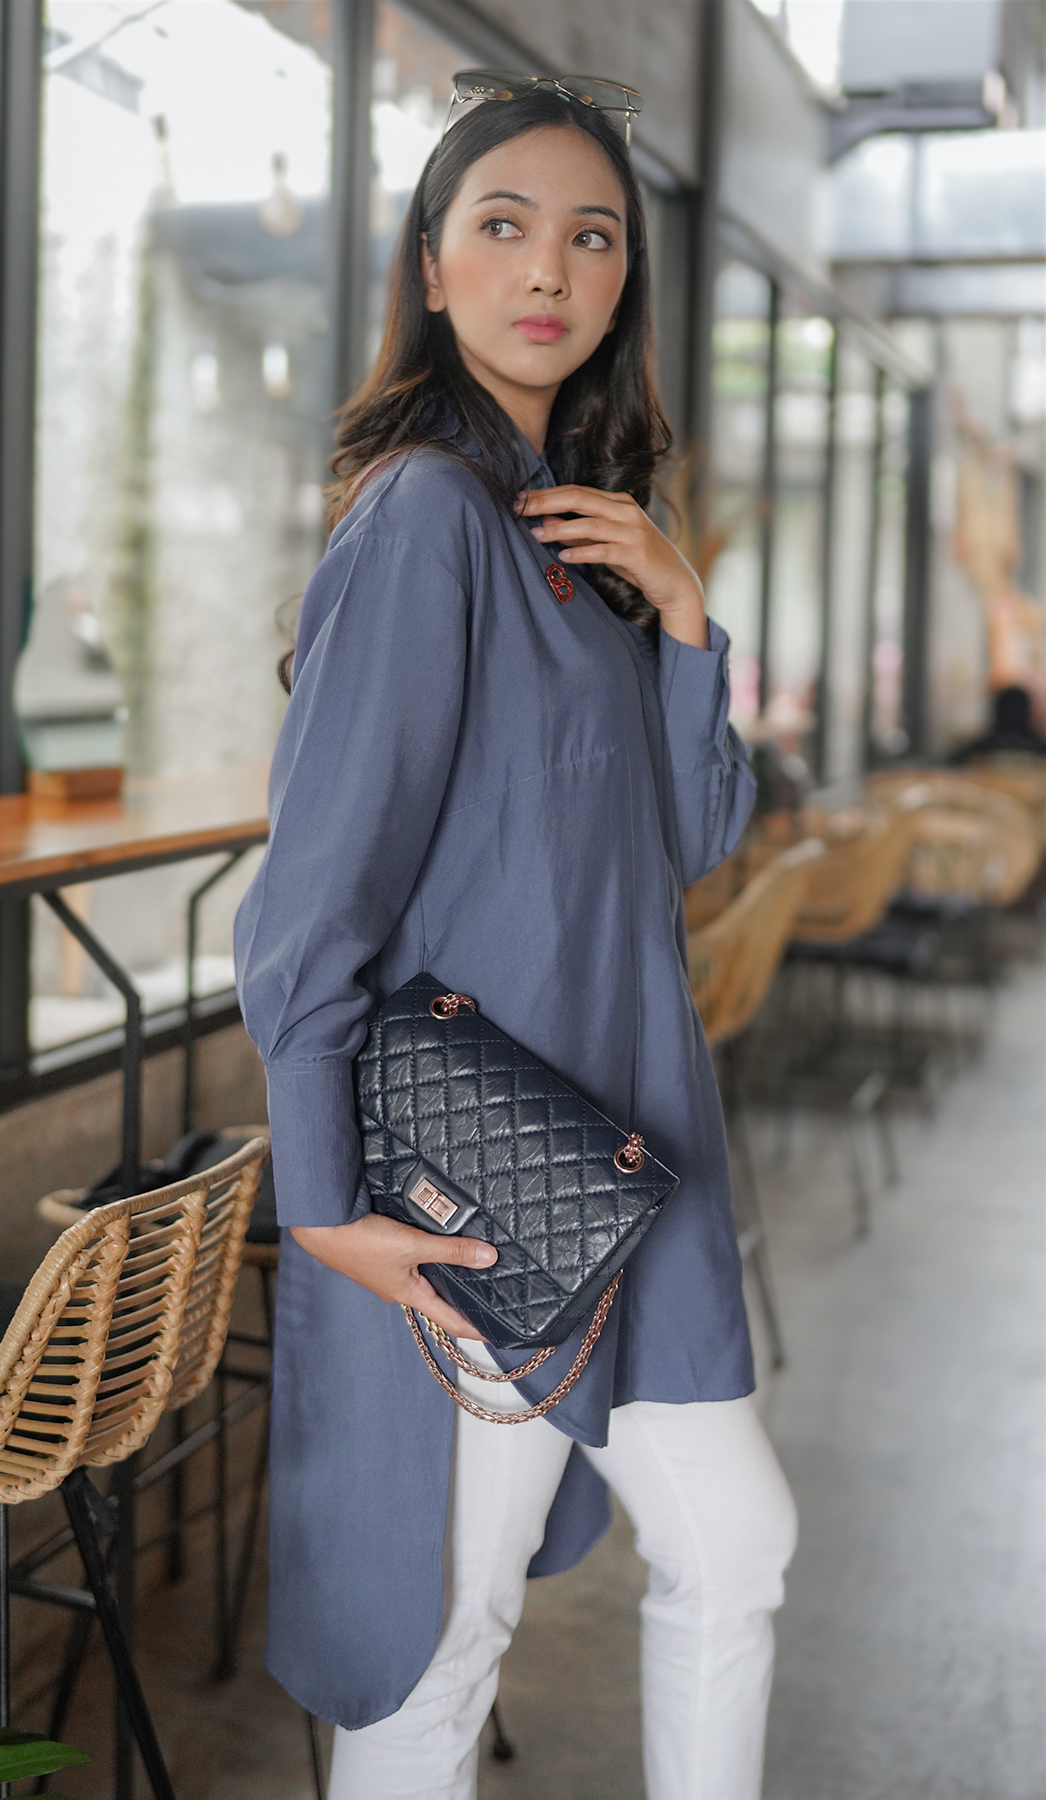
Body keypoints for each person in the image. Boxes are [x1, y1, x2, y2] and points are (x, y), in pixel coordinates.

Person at [234, 77, 797, 1800]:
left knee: (738, 1546)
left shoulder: (576, 539)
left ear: (623, 283)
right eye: (503, 225)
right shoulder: (426, 517)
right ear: (431, 266)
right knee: (439, 1644)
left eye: (590, 236)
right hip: (488, 1175)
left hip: (639, 1159)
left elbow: (688, 843)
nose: (548, 267)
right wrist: (322, 1201)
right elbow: (308, 900)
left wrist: (684, 619)